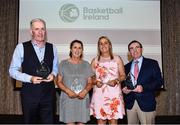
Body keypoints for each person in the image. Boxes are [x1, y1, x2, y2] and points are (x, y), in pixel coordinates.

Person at [9, 18, 59, 124]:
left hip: (48, 95)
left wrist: (53, 74)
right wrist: (30, 78)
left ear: (45, 31)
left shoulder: (52, 48)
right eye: (37, 29)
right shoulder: (21, 47)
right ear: (31, 32)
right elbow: (12, 71)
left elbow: (55, 68)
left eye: (42, 29)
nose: (40, 32)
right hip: (29, 95)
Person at [122, 40, 164, 124]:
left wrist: (143, 87)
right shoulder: (125, 67)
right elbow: (123, 83)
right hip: (130, 104)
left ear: (141, 49)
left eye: (137, 47)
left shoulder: (152, 63)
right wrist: (123, 89)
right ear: (129, 52)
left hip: (147, 102)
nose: (134, 50)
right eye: (131, 48)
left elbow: (159, 82)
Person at [90, 36, 126, 125]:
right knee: (101, 120)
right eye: (100, 43)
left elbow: (123, 75)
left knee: (113, 120)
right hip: (99, 95)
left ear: (110, 45)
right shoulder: (95, 61)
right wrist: (96, 82)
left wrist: (116, 81)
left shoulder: (117, 58)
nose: (103, 45)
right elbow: (90, 78)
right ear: (98, 46)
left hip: (114, 95)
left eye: (105, 43)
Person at [56, 40, 94, 124]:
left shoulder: (87, 64)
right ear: (71, 49)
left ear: (82, 50)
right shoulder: (63, 64)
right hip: (67, 98)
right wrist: (68, 91)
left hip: (84, 98)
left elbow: (90, 82)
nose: (77, 50)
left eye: (80, 48)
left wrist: (85, 91)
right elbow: (59, 82)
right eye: (75, 47)